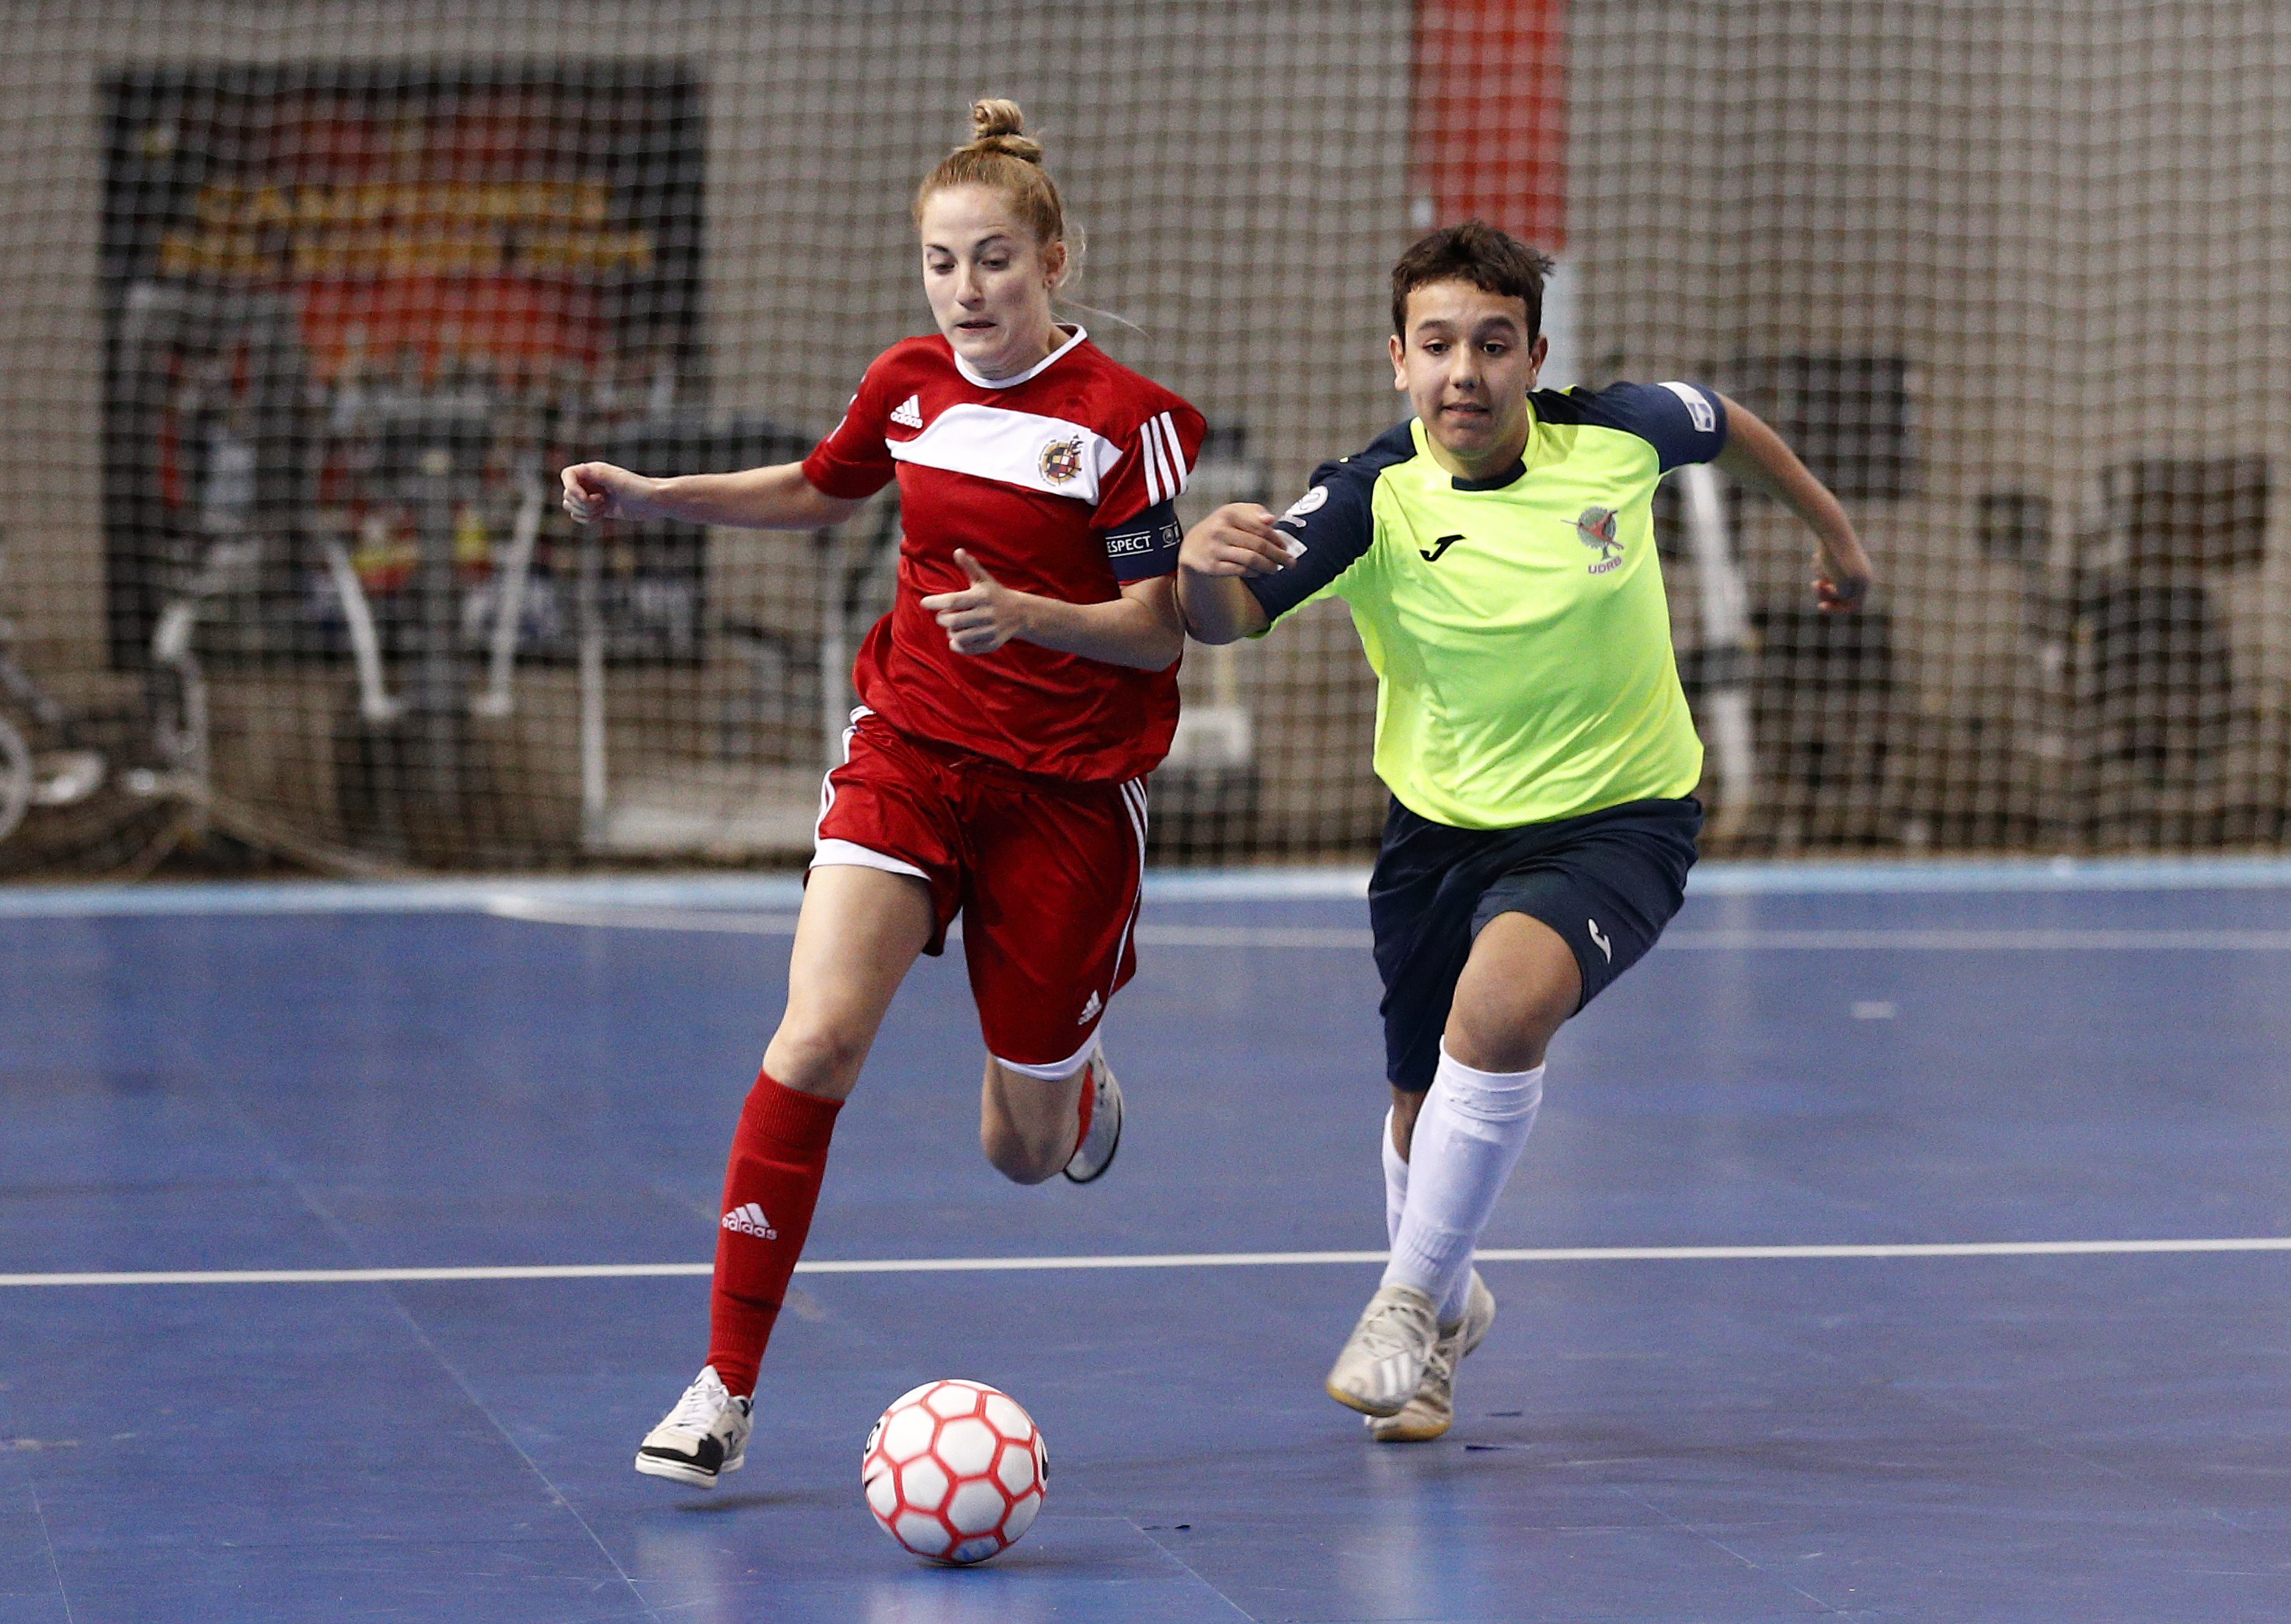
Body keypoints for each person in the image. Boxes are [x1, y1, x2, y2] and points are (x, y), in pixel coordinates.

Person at [562, 99, 1204, 1488]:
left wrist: (1031, 613)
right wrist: (656, 496)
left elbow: (1160, 628)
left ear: (1051, 260)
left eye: (991, 262)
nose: (963, 291)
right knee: (815, 1041)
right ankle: (723, 1386)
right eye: (938, 261)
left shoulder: (1125, 426)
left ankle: (1071, 1090)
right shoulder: (909, 383)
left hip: (1067, 795)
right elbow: (816, 488)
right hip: (907, 753)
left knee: (1020, 1155)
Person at [1178, 221, 1872, 1441]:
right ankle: (1446, 1320)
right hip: (1436, 838)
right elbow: (1228, 619)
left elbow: (1727, 423)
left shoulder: (1614, 434)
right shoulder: (1366, 497)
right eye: (1437, 345)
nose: (1464, 373)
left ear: (1533, 355)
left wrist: (1837, 537)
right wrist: (1194, 566)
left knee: (1496, 1018)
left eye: (1492, 345)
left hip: (1618, 821)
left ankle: (1402, 1305)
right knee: (1415, 1105)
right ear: (1395, 358)